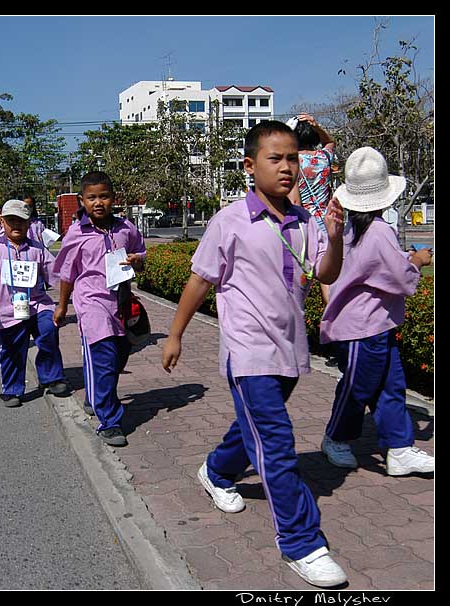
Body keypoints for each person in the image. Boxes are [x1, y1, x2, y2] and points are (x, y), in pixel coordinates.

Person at [160, 121, 347, 588]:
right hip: (247, 352)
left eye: (293, 159)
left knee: (254, 430)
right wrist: (175, 335)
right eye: (275, 159)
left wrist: (336, 236)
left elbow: (324, 270)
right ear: (250, 165)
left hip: (290, 349)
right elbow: (199, 280)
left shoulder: (306, 221)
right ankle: (302, 543)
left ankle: (216, 470)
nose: (287, 168)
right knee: (278, 443)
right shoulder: (229, 221)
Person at [318, 146, 434, 477]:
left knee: (389, 385)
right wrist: (417, 260)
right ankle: (336, 438)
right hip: (362, 329)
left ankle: (398, 447)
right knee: (358, 388)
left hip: (371, 325)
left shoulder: (350, 230)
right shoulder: (380, 231)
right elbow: (400, 277)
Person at [52, 171, 146, 447]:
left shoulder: (126, 228)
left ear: (113, 198)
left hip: (121, 303)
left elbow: (140, 254)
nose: (98, 202)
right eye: (91, 198)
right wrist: (61, 306)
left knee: (119, 357)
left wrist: (137, 261)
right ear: (82, 200)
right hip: (91, 303)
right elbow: (68, 274)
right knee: (103, 358)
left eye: (103, 196)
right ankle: (110, 422)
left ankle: (96, 396)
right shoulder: (76, 233)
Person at [0, 199, 69, 407]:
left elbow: (55, 274)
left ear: (29, 224)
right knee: (11, 350)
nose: (16, 225)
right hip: (7, 310)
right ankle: (11, 389)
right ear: (2, 222)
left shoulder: (37, 249)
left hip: (37, 305)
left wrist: (68, 298)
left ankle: (52, 378)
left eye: (21, 221)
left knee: (48, 330)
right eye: (11, 220)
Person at [288, 113, 339, 366]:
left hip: (306, 228)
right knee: (329, 286)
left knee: (300, 286)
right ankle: (337, 339)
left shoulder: (292, 162)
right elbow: (331, 142)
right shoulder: (324, 158)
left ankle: (297, 340)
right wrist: (319, 125)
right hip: (327, 226)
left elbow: (295, 201)